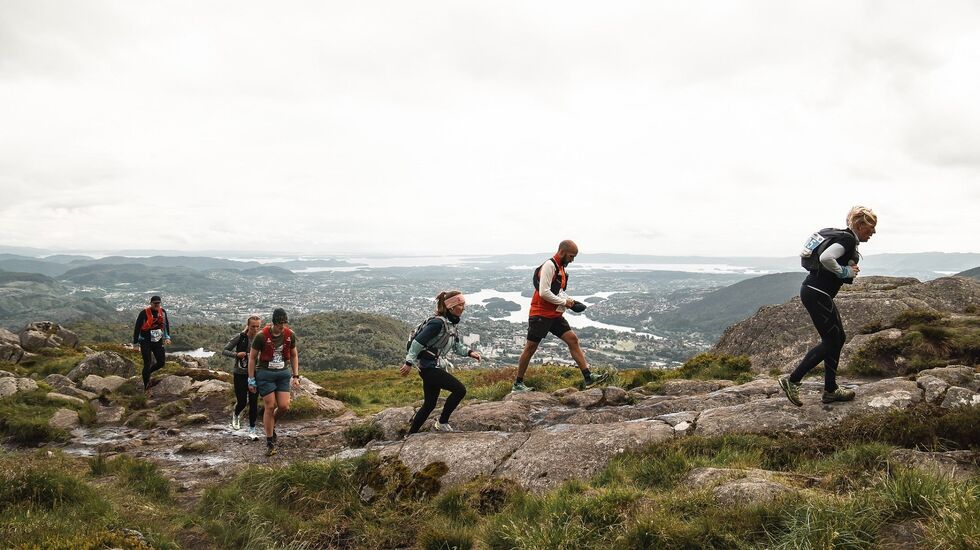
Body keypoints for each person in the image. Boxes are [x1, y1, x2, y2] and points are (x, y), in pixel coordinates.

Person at [780, 206, 878, 406]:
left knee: (836, 338)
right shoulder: (848, 239)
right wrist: (844, 272)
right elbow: (826, 258)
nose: (873, 233)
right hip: (818, 293)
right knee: (833, 340)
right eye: (871, 228)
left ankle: (831, 389)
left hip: (815, 291)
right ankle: (793, 380)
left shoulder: (844, 237)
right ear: (860, 226)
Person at [511, 240, 606, 392]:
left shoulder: (560, 268)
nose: (572, 260)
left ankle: (588, 377)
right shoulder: (549, 265)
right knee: (530, 348)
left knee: (573, 340)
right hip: (540, 314)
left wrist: (573, 302)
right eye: (571, 256)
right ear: (562, 252)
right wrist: (565, 303)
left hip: (554, 314)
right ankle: (517, 384)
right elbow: (544, 292)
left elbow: (558, 291)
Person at [401, 291, 481, 434]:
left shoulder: (451, 324)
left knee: (430, 404)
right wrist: (408, 362)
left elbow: (456, 345)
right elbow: (417, 343)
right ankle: (442, 422)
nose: (463, 308)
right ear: (451, 307)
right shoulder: (437, 323)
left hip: (433, 366)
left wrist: (469, 353)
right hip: (429, 368)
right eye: (461, 305)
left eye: (463, 305)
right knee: (459, 390)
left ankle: (410, 435)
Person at [247, 308, 300, 456]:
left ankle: (270, 425)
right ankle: (270, 441)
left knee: (284, 406)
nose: (281, 326)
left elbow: (294, 355)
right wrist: (251, 379)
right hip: (265, 374)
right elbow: (252, 358)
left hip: (283, 373)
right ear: (273, 322)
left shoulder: (290, 335)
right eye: (279, 323)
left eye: (283, 323)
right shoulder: (261, 336)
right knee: (270, 406)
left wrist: (296, 376)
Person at [222, 315, 261, 437]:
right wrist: (237, 354)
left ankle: (252, 429)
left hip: (255, 374)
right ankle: (236, 414)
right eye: (253, 326)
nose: (255, 329)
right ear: (248, 326)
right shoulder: (241, 337)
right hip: (240, 373)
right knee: (242, 402)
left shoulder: (261, 338)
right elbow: (225, 350)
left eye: (257, 327)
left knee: (254, 402)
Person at [132, 295, 171, 397]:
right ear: (151, 303)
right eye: (155, 303)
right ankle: (146, 388)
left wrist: (167, 337)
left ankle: (147, 374)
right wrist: (135, 343)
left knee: (161, 362)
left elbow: (166, 325)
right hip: (145, 341)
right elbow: (137, 328)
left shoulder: (163, 312)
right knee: (147, 363)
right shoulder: (143, 313)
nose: (157, 305)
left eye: (158, 303)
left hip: (158, 341)